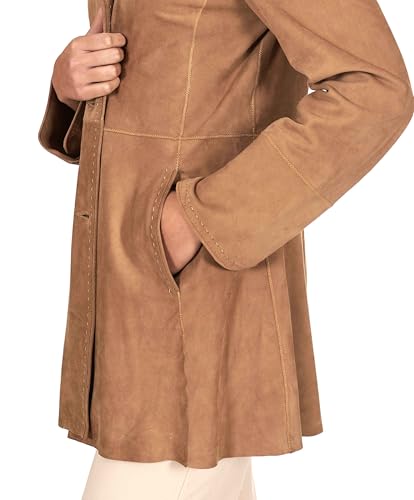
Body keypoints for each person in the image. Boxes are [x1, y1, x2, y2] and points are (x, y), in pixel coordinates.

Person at [38, 0, 413, 498]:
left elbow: (375, 89)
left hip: (196, 302)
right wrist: (71, 83)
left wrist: (199, 219)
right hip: (131, 294)